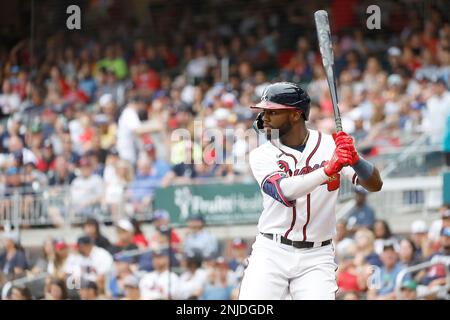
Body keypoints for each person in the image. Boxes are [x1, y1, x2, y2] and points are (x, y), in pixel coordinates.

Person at [239, 82, 383, 300]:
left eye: (272, 111)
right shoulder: (262, 154)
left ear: (295, 115)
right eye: (264, 111)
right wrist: (327, 170)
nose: (264, 117)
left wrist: (355, 159)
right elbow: (284, 191)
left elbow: (375, 185)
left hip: (317, 255)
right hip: (272, 251)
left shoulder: (328, 145)